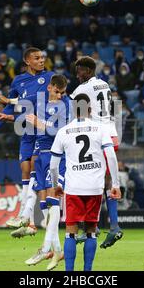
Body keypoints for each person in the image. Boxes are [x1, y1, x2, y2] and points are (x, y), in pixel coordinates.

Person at [0, 47, 54, 237]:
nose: (41, 60)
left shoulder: (49, 78)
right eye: (37, 58)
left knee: (34, 169)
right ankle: (29, 221)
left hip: (42, 130)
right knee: (24, 168)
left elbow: (46, 102)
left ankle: (29, 217)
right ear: (27, 61)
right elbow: (8, 108)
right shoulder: (18, 81)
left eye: (42, 58)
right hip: (27, 130)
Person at [49, 93, 121, 271]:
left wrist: (56, 184)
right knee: (90, 231)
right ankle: (87, 272)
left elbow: (53, 165)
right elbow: (111, 156)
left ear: (73, 110)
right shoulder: (100, 128)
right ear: (90, 109)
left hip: (73, 187)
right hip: (95, 187)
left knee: (70, 233)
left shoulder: (63, 131)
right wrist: (116, 184)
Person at [70, 56, 123, 249]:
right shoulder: (104, 84)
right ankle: (111, 225)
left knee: (92, 179)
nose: (78, 75)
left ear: (89, 70)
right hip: (112, 133)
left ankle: (97, 226)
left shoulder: (81, 89)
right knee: (104, 180)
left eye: (80, 71)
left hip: (98, 136)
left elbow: (70, 108)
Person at [23, 74, 70, 270]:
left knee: (52, 202)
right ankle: (57, 251)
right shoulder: (41, 103)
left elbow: (58, 131)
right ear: (50, 88)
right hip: (41, 156)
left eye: (62, 93)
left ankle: (44, 249)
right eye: (57, 92)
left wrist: (39, 123)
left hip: (56, 156)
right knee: (44, 203)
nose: (60, 96)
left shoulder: (66, 105)